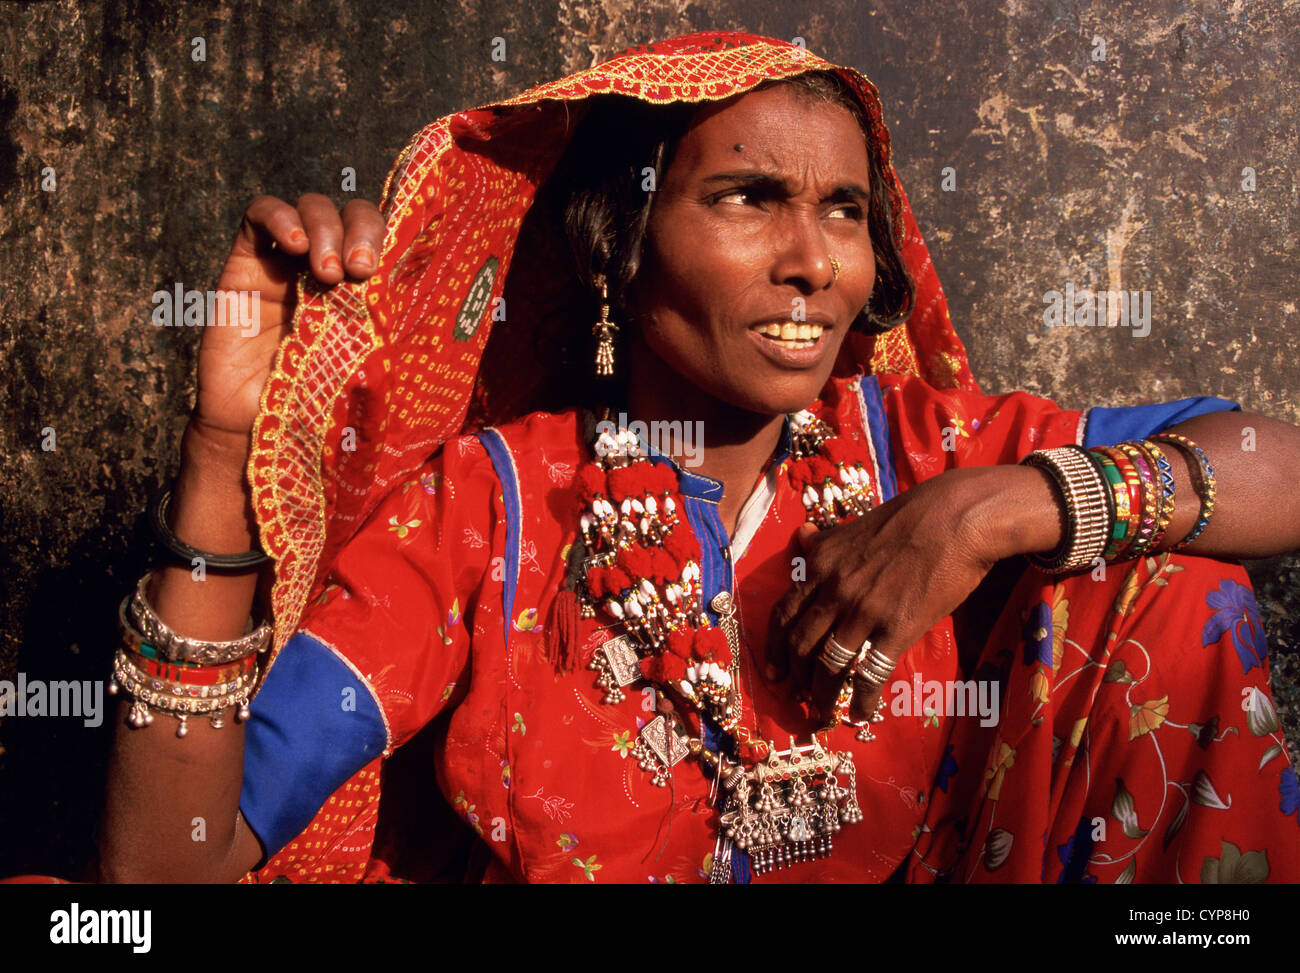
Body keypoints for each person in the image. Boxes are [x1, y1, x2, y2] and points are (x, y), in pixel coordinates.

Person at [97, 31, 1300, 884]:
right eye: (746, 198)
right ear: (620, 245)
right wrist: (219, 449)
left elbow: (1271, 463)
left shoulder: (928, 453)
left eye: (842, 209)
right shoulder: (494, 504)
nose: (815, 261)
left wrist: (988, 512)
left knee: (1176, 577)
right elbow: (166, 869)